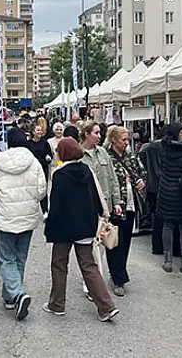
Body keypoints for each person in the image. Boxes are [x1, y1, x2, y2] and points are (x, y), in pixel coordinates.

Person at [43, 137, 119, 322]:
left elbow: (57, 205)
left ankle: (57, 304)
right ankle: (106, 306)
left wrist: (50, 227)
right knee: (88, 265)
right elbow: (95, 197)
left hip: (63, 228)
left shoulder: (59, 174)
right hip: (85, 224)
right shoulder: (87, 170)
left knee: (59, 264)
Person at [0, 127, 46, 321]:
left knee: (6, 258)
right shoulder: (34, 163)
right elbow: (41, 191)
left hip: (5, 217)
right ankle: (10, 297)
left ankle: (17, 294)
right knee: (19, 258)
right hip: (27, 217)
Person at [79, 121, 122, 300]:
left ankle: (93, 279)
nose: (99, 135)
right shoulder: (79, 155)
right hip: (87, 207)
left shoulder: (103, 153)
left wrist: (117, 201)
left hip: (105, 207)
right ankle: (90, 283)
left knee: (101, 245)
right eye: (96, 132)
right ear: (87, 134)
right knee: (89, 247)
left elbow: (112, 178)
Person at [104, 126, 145, 297]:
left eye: (127, 139)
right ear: (114, 140)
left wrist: (142, 180)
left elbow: (141, 170)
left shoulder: (130, 155)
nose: (127, 143)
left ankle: (119, 271)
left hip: (130, 203)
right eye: (124, 140)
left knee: (126, 241)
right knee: (114, 242)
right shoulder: (106, 157)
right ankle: (118, 278)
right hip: (115, 205)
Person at [157, 123, 182, 273]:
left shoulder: (165, 150)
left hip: (165, 192)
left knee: (167, 225)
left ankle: (167, 261)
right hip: (181, 194)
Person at [139, 127, 165, 255]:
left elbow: (141, 155)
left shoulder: (149, 147)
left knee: (156, 216)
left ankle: (157, 246)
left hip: (152, 184)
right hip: (163, 185)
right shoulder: (166, 148)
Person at [28, 124, 53, 213]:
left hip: (43, 168)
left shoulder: (45, 143)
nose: (40, 132)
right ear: (33, 132)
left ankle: (45, 210)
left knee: (43, 189)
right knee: (32, 189)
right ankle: (32, 210)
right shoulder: (29, 144)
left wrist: (48, 158)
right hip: (32, 170)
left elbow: (50, 154)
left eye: (41, 130)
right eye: (38, 130)